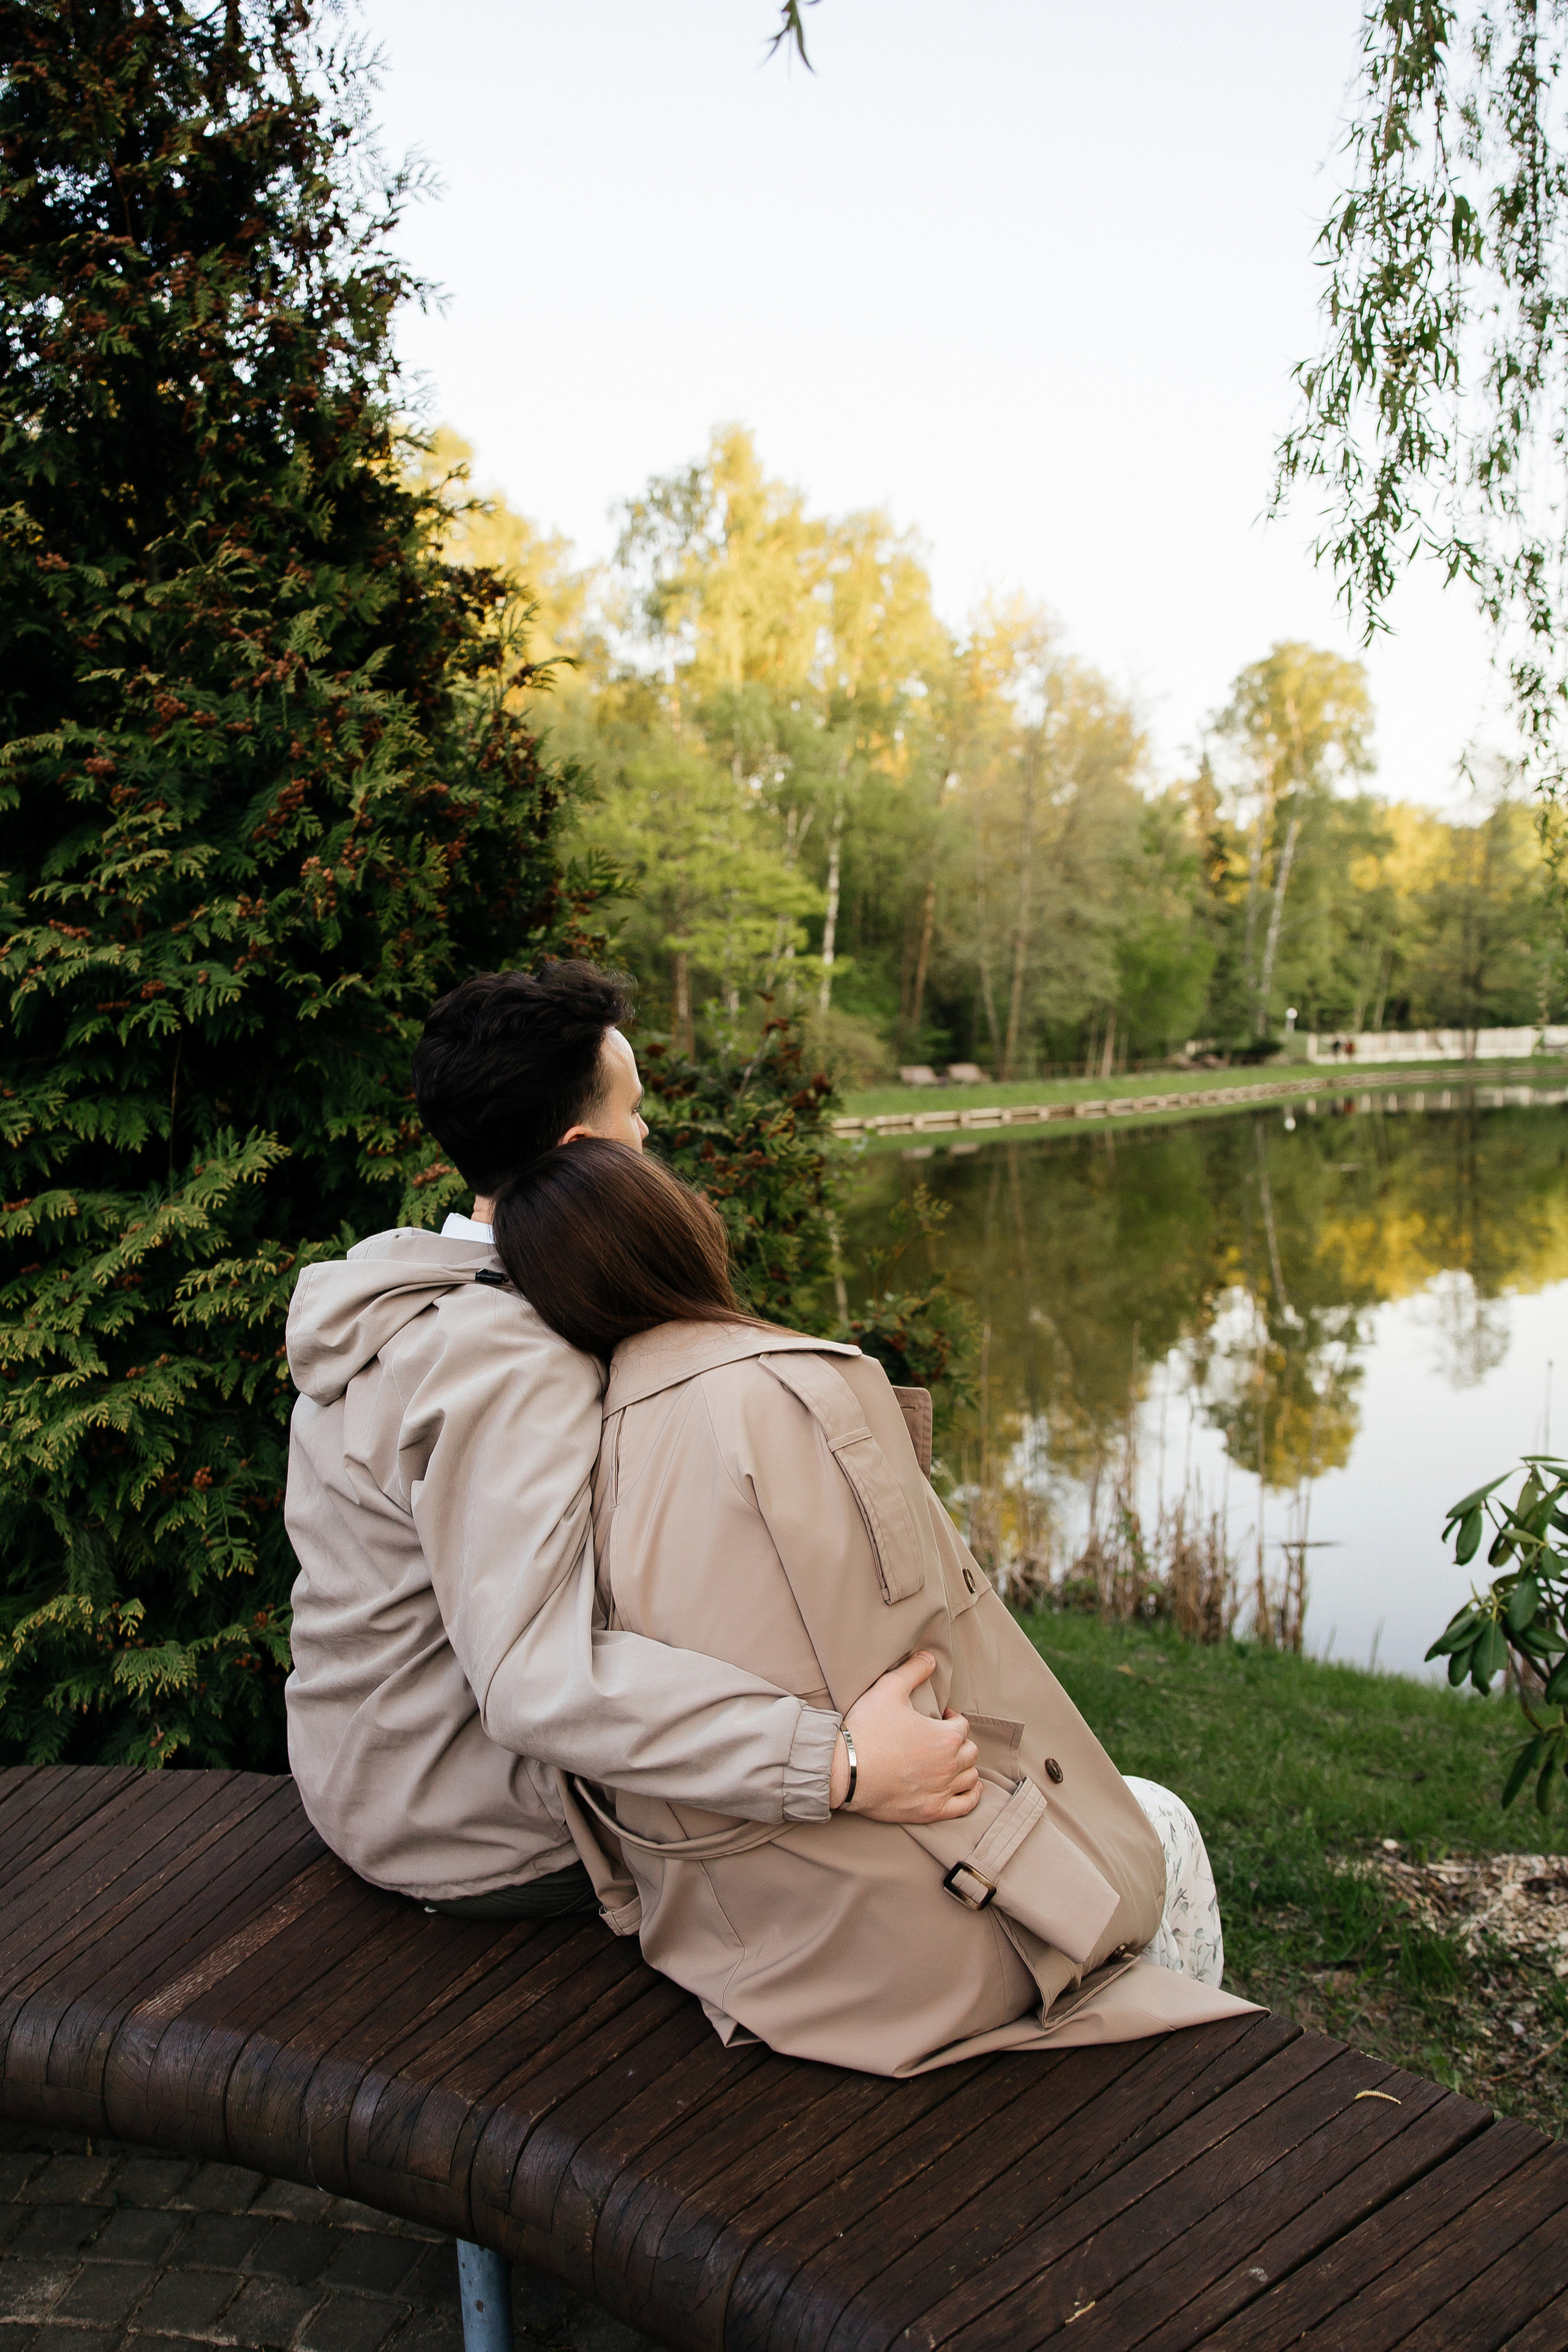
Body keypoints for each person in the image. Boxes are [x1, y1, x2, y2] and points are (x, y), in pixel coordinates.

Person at [490, 1137, 1256, 2076]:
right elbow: (923, 1676)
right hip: (895, 1940)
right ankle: (1195, 2097)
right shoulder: (795, 1389)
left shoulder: (577, 1449)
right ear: (677, 1230)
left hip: (730, 1929)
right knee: (1160, 1830)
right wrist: (1069, 1891)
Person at [284, 963, 979, 1922]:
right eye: (635, 1114)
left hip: (375, 1778)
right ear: (582, 1148)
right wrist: (840, 1764)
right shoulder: (510, 1360)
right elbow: (535, 1679)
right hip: (475, 1832)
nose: (648, 1138)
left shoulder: (400, 1296)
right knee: (1047, 1854)